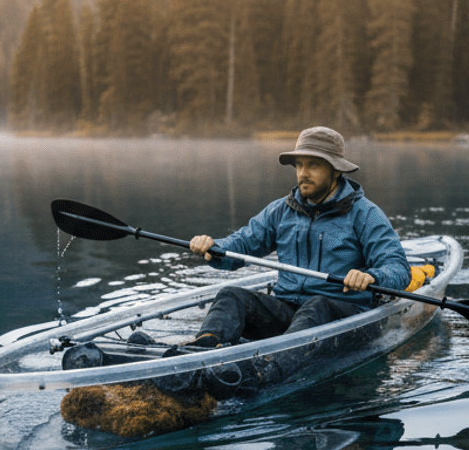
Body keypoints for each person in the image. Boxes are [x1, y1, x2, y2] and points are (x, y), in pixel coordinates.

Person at [175, 127, 410, 350]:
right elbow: (242, 245)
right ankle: (203, 350)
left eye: (314, 165)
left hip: (339, 316)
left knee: (317, 306)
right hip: (289, 311)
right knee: (231, 295)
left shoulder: (365, 214)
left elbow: (398, 268)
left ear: (336, 170)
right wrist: (214, 247)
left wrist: (371, 276)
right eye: (299, 165)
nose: (303, 173)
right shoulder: (280, 211)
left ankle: (268, 365)